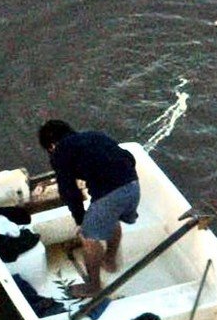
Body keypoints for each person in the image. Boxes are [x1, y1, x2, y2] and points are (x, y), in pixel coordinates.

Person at [37, 120, 140, 297]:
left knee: (88, 237)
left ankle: (93, 287)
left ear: (51, 145)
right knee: (112, 218)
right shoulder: (96, 135)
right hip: (133, 186)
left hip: (110, 195)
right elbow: (129, 157)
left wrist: (80, 220)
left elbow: (69, 191)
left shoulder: (60, 152)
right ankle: (109, 261)